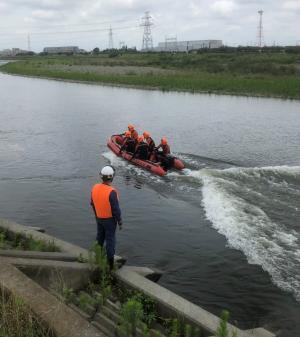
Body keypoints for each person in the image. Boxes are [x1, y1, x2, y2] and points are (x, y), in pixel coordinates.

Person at [90, 166, 122, 271]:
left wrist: (96, 215)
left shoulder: (94, 187)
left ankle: (97, 257)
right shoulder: (112, 191)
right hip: (109, 221)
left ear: (101, 176)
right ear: (111, 177)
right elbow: (116, 210)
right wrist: (120, 221)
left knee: (99, 237)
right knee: (110, 240)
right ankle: (110, 265)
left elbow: (92, 203)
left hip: (99, 218)